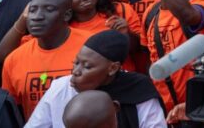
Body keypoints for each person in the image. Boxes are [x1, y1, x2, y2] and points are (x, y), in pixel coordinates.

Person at [26, 29, 166, 128]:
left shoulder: (138, 91)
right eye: (76, 63)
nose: (76, 71)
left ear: (112, 68)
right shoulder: (60, 87)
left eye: (87, 66)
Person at [0, 0, 92, 118]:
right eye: (32, 10)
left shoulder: (91, 46)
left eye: (49, 10)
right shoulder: (14, 59)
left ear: (67, 15)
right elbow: (13, 112)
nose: (37, 17)